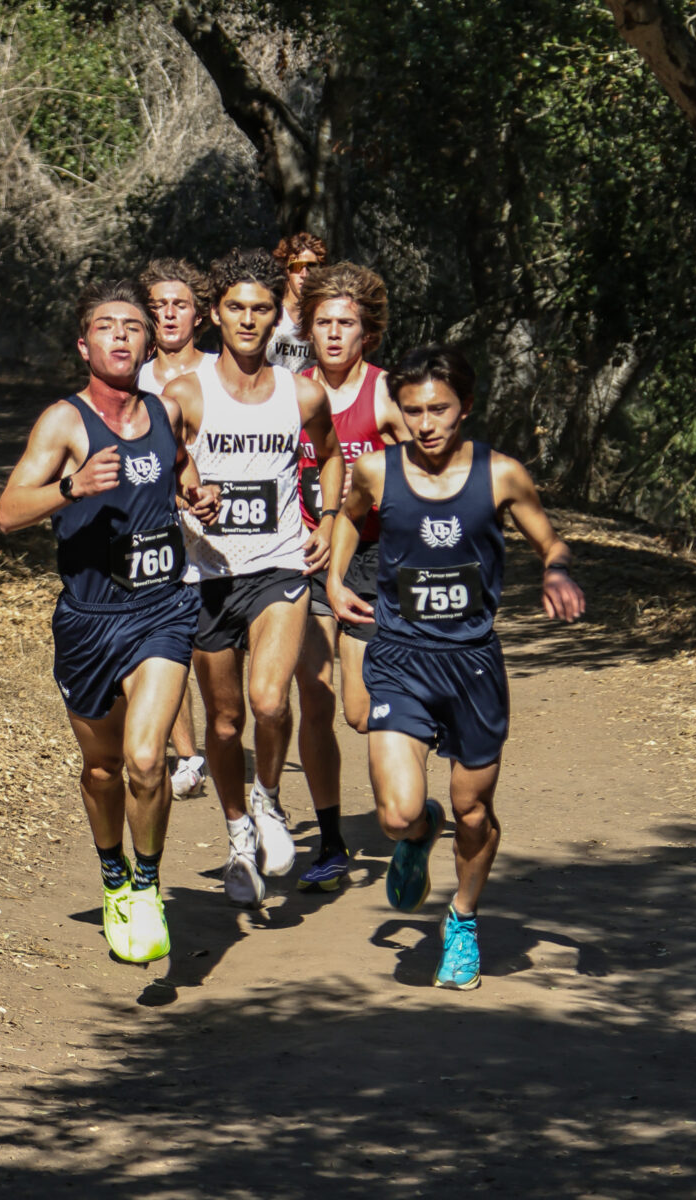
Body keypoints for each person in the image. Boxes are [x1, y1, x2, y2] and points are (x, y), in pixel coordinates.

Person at [327, 343, 585, 989]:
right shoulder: (378, 472)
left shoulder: (500, 475)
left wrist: (555, 567)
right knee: (394, 813)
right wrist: (333, 579)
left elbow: (550, 537)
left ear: (465, 406)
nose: (426, 423)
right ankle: (416, 833)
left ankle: (463, 919)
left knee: (473, 813)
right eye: (413, 410)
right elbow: (350, 521)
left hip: (471, 665)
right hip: (399, 657)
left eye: (439, 408)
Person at [0, 280, 219, 964]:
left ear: (149, 342)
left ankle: (147, 885)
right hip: (90, 619)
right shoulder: (63, 423)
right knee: (103, 768)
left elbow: (180, 469)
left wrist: (198, 497)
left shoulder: (165, 410)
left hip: (163, 610)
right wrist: (71, 488)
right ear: (83, 344)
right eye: (106, 326)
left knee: (148, 760)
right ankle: (114, 874)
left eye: (132, 326)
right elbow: (7, 513)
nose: (121, 335)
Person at [164, 247, 344, 907]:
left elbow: (327, 456)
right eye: (236, 307)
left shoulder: (300, 391)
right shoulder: (185, 393)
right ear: (216, 314)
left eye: (260, 309)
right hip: (206, 574)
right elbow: (162, 463)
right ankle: (238, 830)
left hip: (280, 564)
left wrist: (323, 520)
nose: (247, 319)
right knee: (225, 720)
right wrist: (189, 494)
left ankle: (268, 799)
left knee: (271, 702)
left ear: (276, 319)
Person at [293, 262, 409, 894]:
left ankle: (409, 801)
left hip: (369, 560)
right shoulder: (292, 391)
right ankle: (331, 841)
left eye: (347, 324)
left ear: (368, 333)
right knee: (314, 696)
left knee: (360, 713)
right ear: (308, 329)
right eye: (324, 323)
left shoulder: (387, 394)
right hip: (305, 556)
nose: (335, 335)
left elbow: (429, 466)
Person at [138, 257, 214, 799]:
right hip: (159, 528)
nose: (168, 313)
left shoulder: (222, 370)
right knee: (170, 645)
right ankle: (189, 755)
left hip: (223, 529)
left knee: (217, 655)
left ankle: (224, 732)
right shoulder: (129, 376)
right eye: (158, 305)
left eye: (179, 304)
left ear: (200, 315)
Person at [266, 232, 327, 373]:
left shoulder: (325, 318)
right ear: (286, 269)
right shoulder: (270, 314)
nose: (304, 274)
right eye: (297, 267)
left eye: (311, 267)